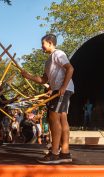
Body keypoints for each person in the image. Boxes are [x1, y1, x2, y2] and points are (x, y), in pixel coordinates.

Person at [21, 33, 74, 164]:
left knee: (53, 117)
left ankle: (55, 153)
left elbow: (70, 69)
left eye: (43, 44)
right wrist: (29, 76)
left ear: (50, 43)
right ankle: (65, 152)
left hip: (62, 89)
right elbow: (43, 79)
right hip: (58, 89)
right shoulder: (48, 60)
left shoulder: (58, 53)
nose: (41, 47)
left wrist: (63, 87)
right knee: (62, 118)